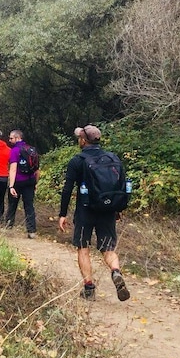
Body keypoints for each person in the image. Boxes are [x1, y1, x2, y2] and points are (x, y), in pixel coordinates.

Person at [58, 125, 130, 301]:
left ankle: (89, 288)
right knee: (108, 248)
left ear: (83, 140)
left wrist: (62, 214)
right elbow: (118, 186)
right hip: (107, 211)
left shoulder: (77, 161)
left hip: (85, 211)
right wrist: (116, 208)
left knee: (83, 248)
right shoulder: (112, 158)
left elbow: (67, 189)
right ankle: (115, 272)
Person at [5, 130, 38, 237]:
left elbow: (13, 169)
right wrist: (35, 183)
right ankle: (31, 231)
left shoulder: (14, 150)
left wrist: (11, 186)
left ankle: (9, 227)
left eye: (11, 138)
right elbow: (37, 169)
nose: (9, 140)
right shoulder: (32, 150)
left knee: (12, 204)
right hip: (30, 181)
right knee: (29, 205)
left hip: (18, 181)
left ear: (17, 138)